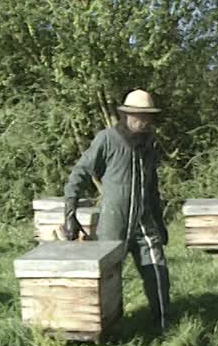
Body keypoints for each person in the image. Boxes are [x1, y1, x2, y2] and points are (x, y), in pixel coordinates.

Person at [61, 89, 171, 332]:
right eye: (138, 116)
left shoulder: (150, 145)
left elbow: (152, 188)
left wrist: (160, 223)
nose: (143, 121)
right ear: (126, 115)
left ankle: (164, 327)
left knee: (158, 273)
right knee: (108, 280)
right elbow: (80, 172)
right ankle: (110, 328)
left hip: (145, 223)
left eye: (148, 117)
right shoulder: (107, 139)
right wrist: (70, 213)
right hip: (113, 224)